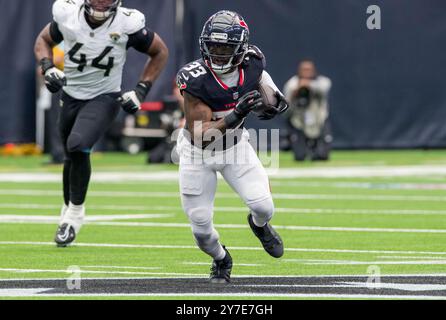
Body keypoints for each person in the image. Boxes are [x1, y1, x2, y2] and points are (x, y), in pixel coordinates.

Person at [34, 0, 169, 247]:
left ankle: (75, 213)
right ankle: (68, 211)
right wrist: (47, 67)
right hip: (71, 94)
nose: (100, 2)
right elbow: (43, 41)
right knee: (70, 155)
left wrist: (141, 90)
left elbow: (160, 51)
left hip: (105, 96)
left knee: (78, 144)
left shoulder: (128, 23)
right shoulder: (67, 14)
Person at [176, 10, 289, 283]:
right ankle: (221, 259)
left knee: (263, 207)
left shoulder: (252, 61)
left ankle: (259, 227)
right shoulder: (195, 79)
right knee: (202, 230)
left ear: (240, 49)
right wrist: (234, 115)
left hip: (235, 148)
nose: (217, 53)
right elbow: (202, 135)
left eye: (225, 47)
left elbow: (263, 82)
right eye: (213, 46)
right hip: (197, 153)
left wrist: (275, 102)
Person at [283, 60, 332, 161]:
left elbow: (324, 89)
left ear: (314, 70)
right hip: (299, 122)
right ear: (299, 71)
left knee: (322, 156)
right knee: (299, 157)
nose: (306, 72)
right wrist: (295, 92)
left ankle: (319, 150)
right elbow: (286, 108)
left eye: (309, 69)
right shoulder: (292, 84)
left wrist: (308, 86)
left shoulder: (322, 81)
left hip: (319, 121)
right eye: (304, 70)